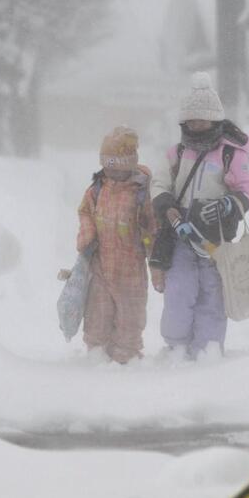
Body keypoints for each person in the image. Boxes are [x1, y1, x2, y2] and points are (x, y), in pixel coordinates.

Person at [150, 72, 249, 358]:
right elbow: (159, 183)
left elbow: (246, 190)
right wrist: (168, 208)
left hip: (216, 236)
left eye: (203, 120)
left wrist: (230, 204)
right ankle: (176, 345)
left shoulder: (231, 154)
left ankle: (207, 348)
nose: (197, 126)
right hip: (181, 230)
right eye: (192, 121)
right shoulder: (177, 152)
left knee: (212, 293)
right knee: (179, 290)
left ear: (215, 121)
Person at [76, 126, 156, 364]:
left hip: (130, 268)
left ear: (129, 163)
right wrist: (87, 235)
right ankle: (97, 352)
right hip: (101, 264)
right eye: (107, 164)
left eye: (117, 165)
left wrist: (156, 255)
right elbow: (85, 212)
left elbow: (152, 225)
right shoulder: (97, 188)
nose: (111, 170)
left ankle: (126, 355)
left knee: (130, 315)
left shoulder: (141, 191)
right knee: (97, 313)